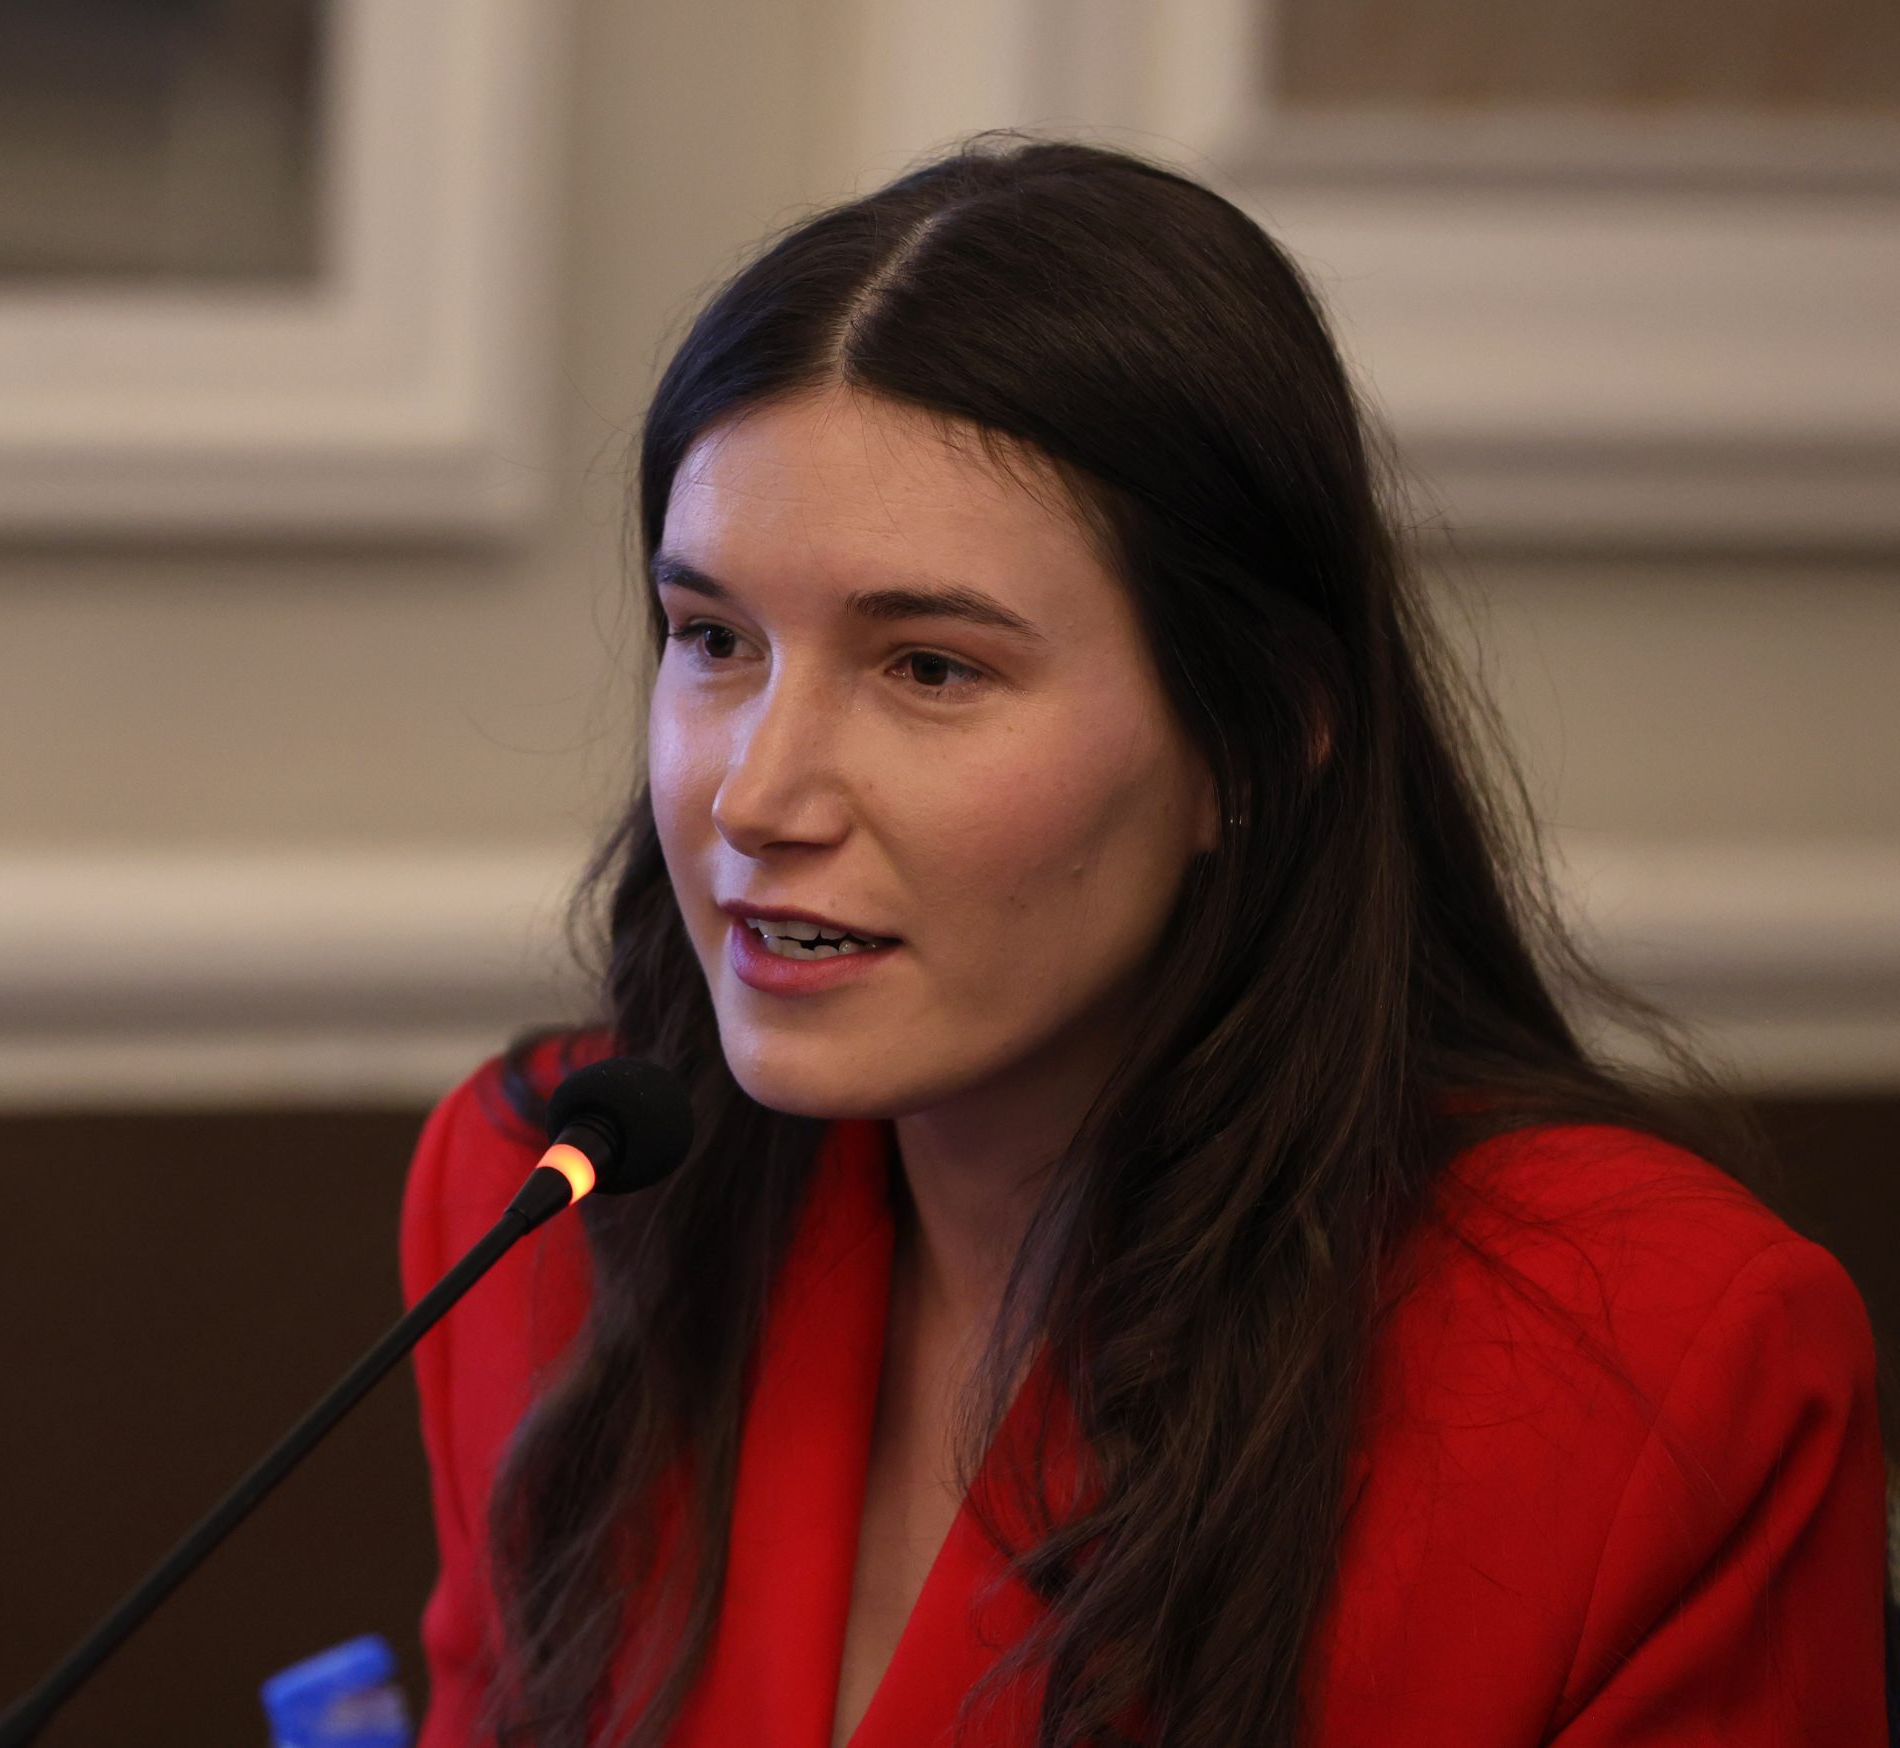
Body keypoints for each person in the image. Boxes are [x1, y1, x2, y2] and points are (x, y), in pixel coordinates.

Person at [398, 135, 1890, 1748]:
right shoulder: (545, 1211)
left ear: (1256, 742)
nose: (755, 795)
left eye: (930, 669)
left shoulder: (1657, 1362)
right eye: (712, 640)